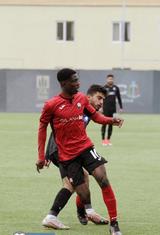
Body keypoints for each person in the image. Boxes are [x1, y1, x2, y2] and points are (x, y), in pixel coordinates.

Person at [36, 68, 124, 235]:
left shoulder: (81, 99)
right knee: (82, 192)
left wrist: (111, 121)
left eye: (78, 80)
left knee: (103, 179)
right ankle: (82, 212)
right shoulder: (51, 105)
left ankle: (114, 223)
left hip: (85, 148)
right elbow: (42, 129)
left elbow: (96, 117)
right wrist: (42, 156)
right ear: (64, 83)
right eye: (74, 81)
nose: (78, 83)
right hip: (67, 156)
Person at [42, 85, 110, 230]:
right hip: (61, 151)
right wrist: (48, 153)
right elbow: (55, 129)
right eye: (99, 98)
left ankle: (85, 212)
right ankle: (52, 216)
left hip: (61, 150)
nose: (101, 102)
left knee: (83, 178)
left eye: (103, 100)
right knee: (70, 185)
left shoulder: (86, 110)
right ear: (88, 97)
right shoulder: (77, 106)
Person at [102, 74, 123, 146]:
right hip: (105, 109)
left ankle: (108, 139)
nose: (110, 80)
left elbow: (119, 98)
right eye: (109, 79)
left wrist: (121, 107)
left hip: (113, 109)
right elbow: (101, 98)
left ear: (113, 80)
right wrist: (101, 107)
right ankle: (103, 140)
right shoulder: (104, 88)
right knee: (104, 124)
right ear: (107, 80)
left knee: (111, 124)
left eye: (111, 79)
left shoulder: (116, 88)